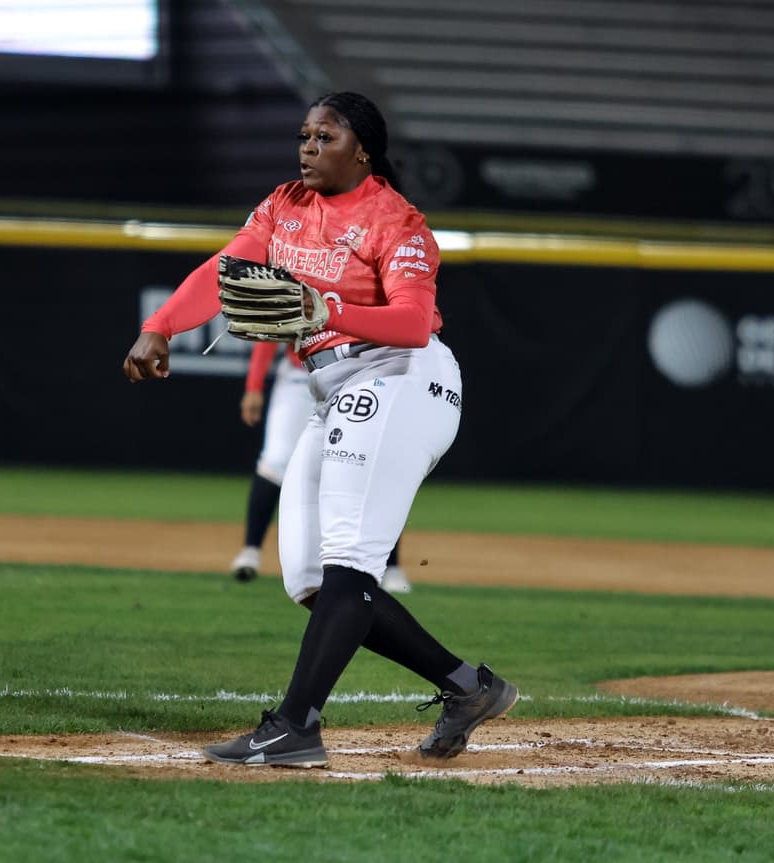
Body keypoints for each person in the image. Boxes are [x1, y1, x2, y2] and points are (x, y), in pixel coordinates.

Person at [122, 91, 516, 768]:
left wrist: (325, 305)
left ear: (361, 148)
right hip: (333, 387)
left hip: (403, 377)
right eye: (303, 135)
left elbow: (414, 321)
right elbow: (225, 272)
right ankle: (467, 686)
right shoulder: (282, 206)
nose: (307, 146)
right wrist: (158, 327)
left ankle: (295, 724)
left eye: (324, 136)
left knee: (350, 561)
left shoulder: (399, 222)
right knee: (309, 576)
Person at [230, 339, 412, 593]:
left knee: (367, 465)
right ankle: (251, 550)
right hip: (301, 374)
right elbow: (270, 334)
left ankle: (389, 566)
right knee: (276, 459)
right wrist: (254, 386)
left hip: (359, 373)